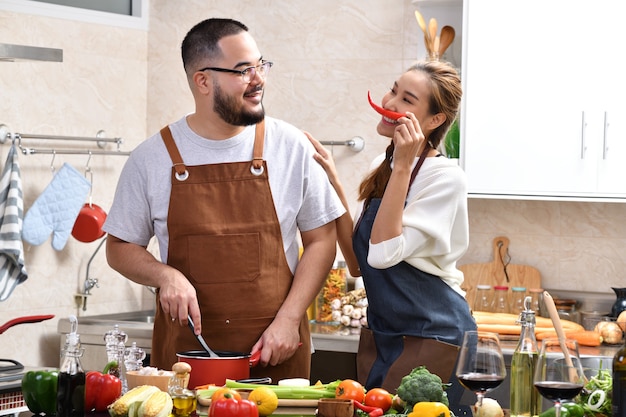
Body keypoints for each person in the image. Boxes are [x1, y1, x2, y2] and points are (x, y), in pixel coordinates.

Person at [103, 18, 345, 382]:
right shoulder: (151, 158)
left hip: (275, 354)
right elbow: (119, 247)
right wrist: (164, 275)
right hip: (186, 366)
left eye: (260, 65)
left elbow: (322, 239)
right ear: (203, 80)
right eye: (243, 70)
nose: (258, 78)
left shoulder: (290, 146)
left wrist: (290, 318)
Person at [307, 60, 477, 399]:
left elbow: (384, 255)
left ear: (434, 120)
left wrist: (402, 164)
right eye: (393, 90)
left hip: (435, 335)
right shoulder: (382, 165)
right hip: (386, 336)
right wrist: (333, 182)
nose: (389, 102)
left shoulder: (444, 179)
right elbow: (359, 262)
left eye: (407, 100)